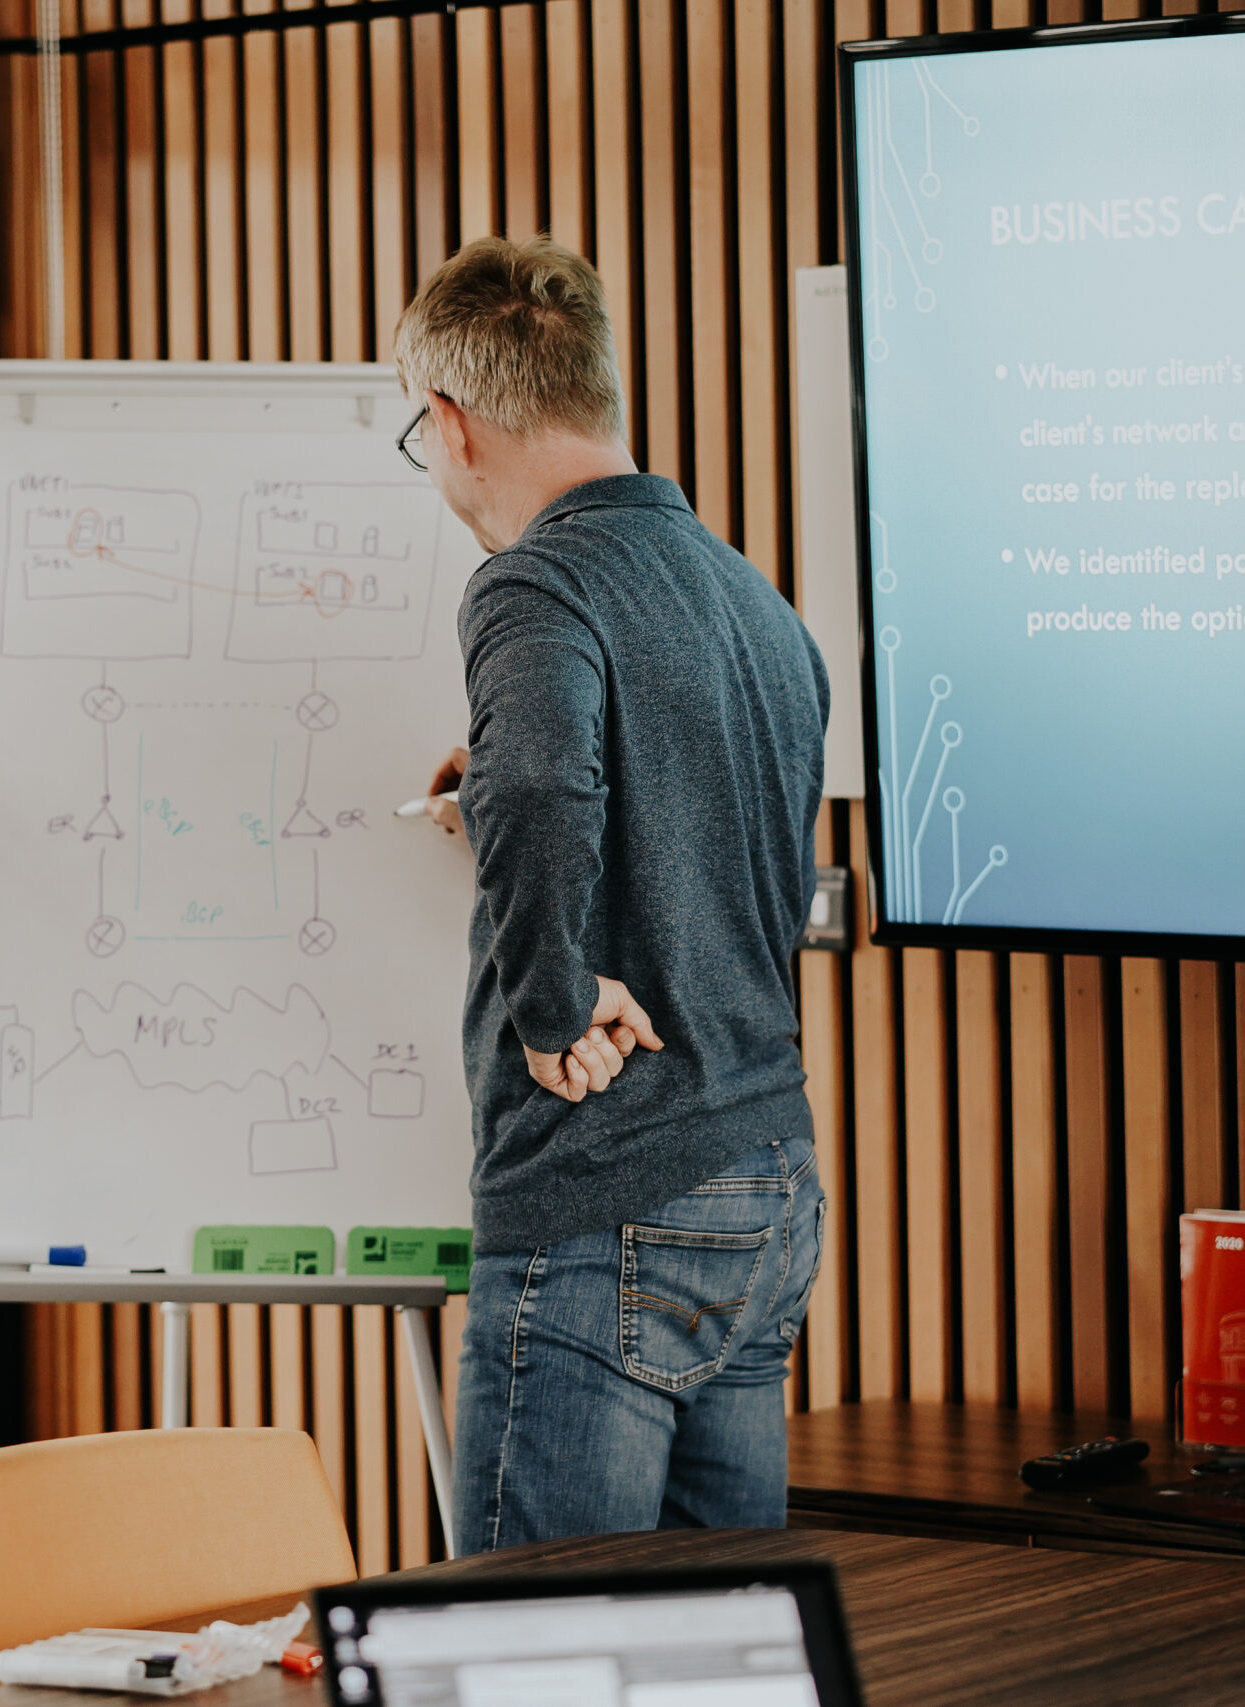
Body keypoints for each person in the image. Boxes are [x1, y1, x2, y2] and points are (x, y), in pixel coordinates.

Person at [395, 235, 829, 1553]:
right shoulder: (753, 604)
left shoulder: (534, 580)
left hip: (606, 1193)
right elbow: (663, 822)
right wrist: (508, 800)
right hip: (764, 1169)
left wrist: (551, 1001)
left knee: (538, 1654)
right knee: (714, 1656)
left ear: (456, 424)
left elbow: (538, 792)